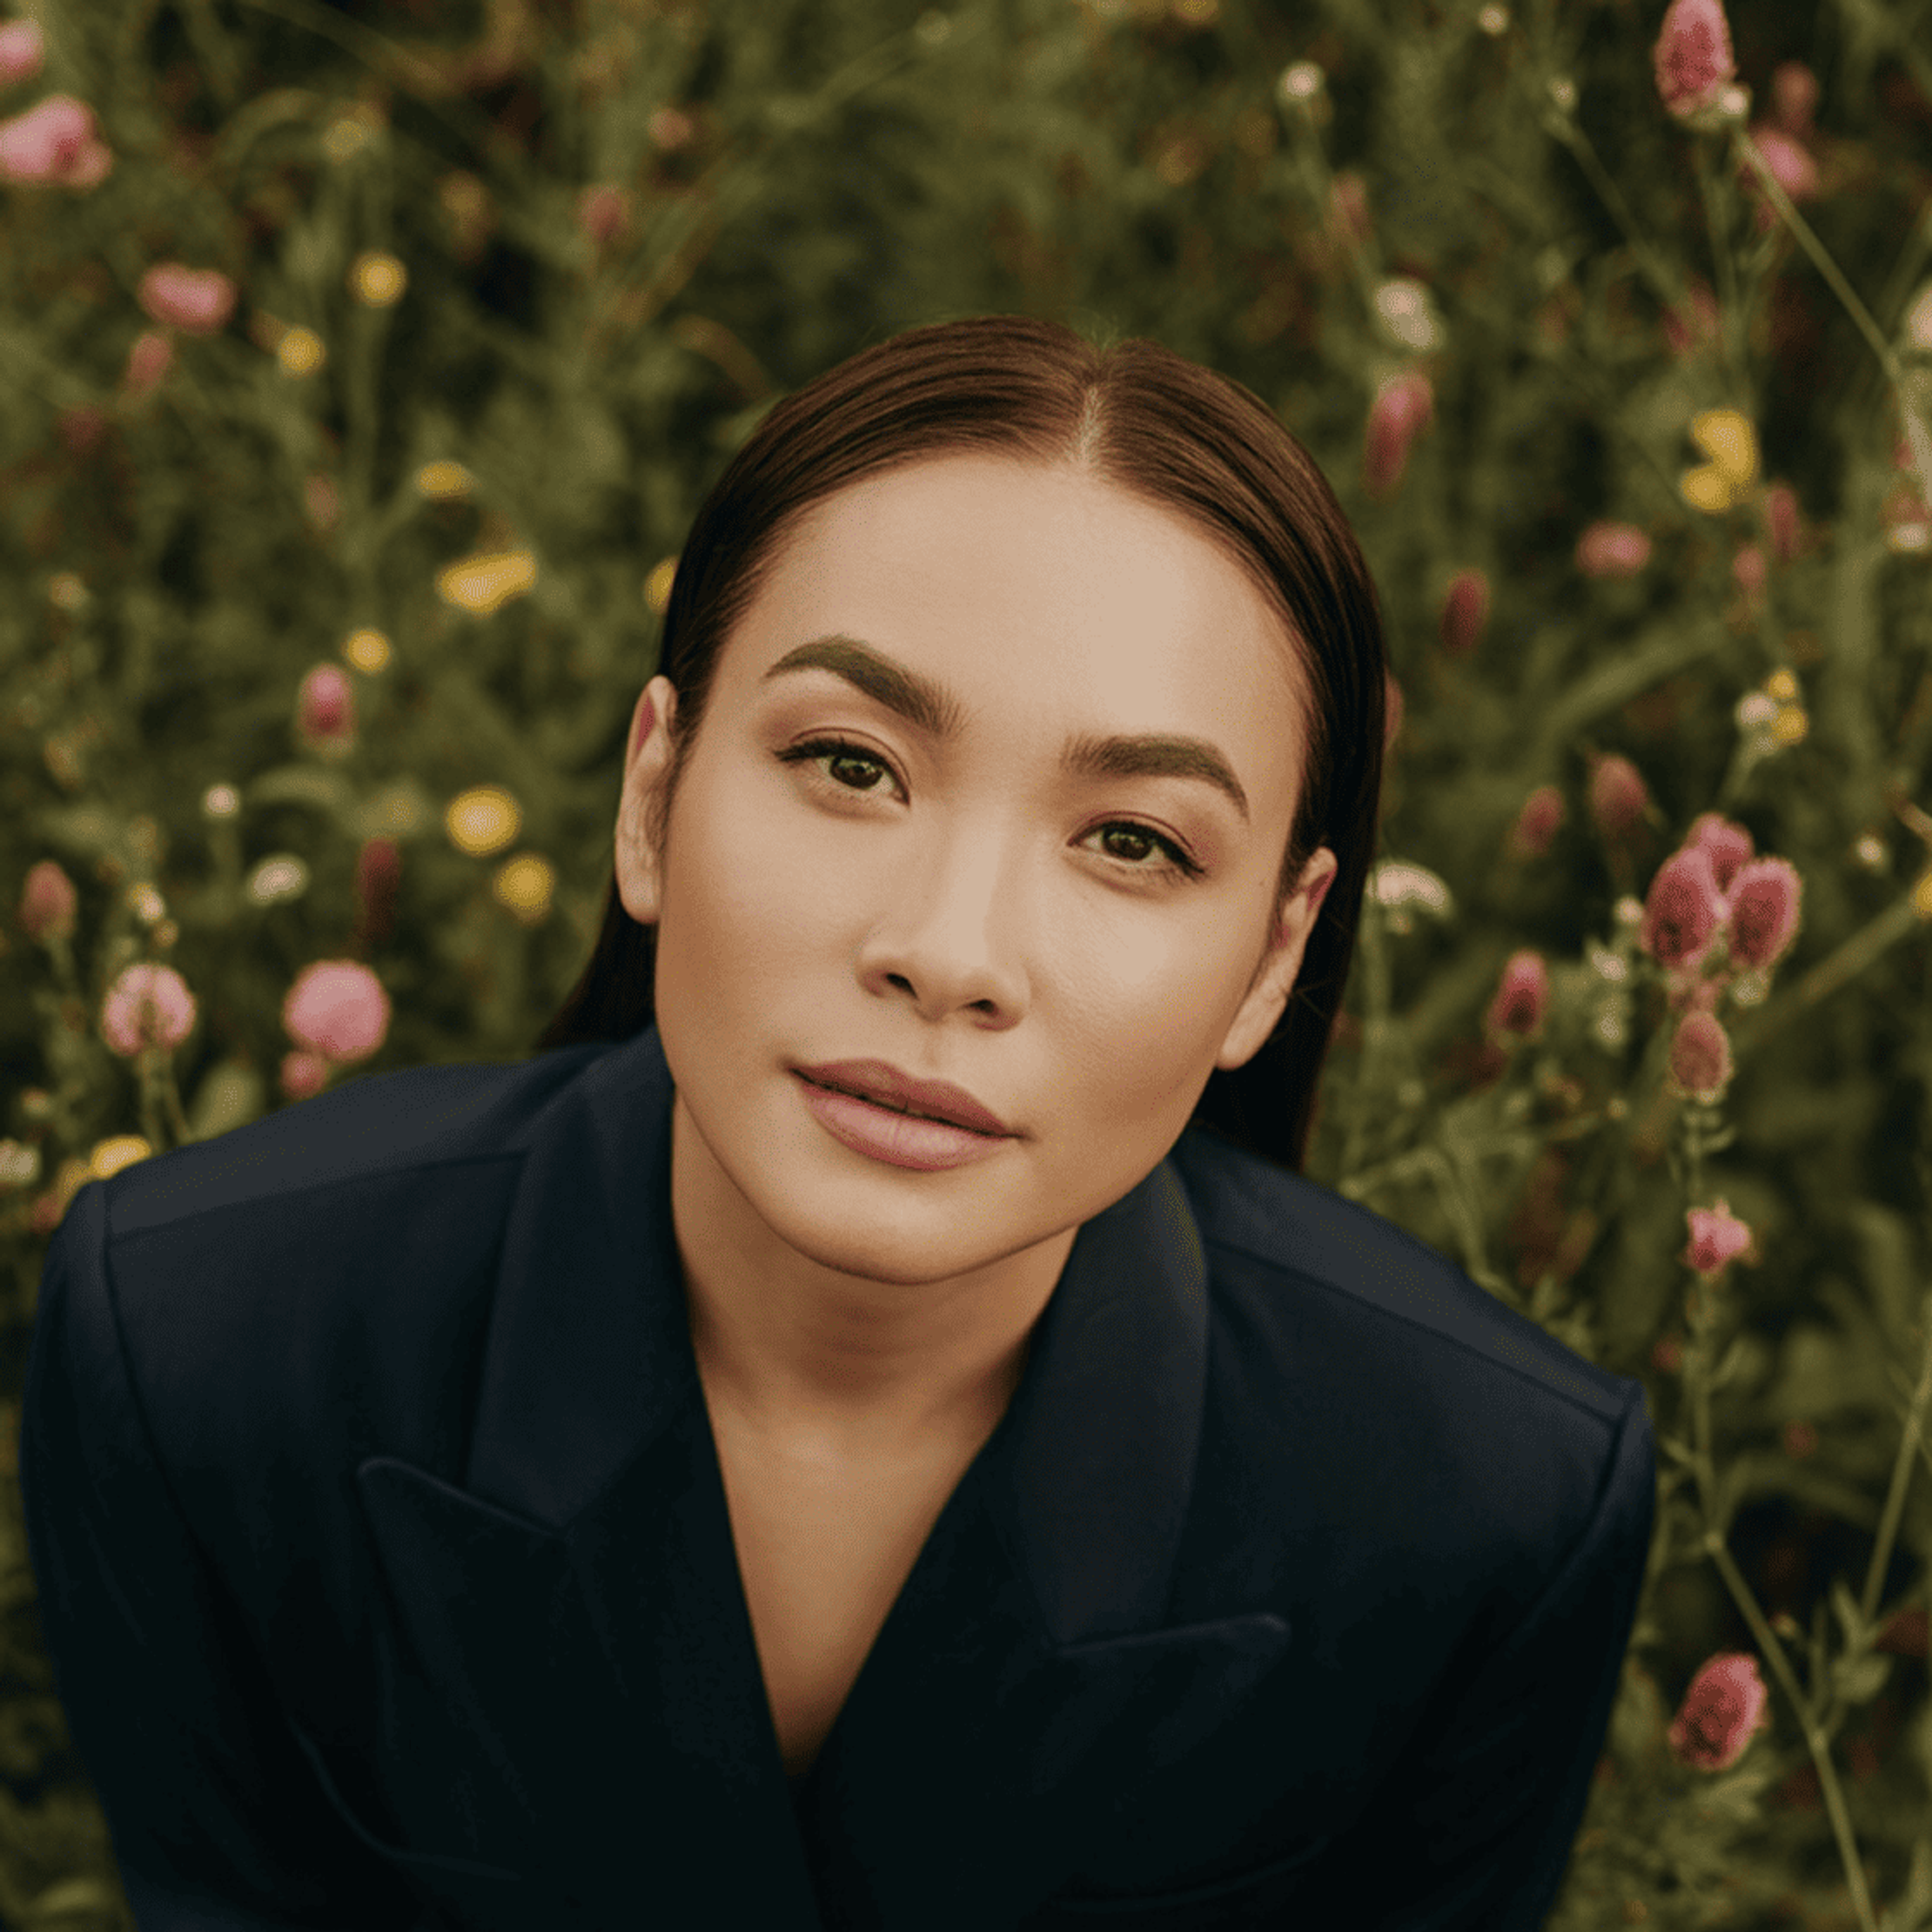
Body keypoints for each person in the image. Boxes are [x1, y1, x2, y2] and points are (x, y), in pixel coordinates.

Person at [22, 314, 1655, 1930]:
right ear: (651, 793)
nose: (946, 950)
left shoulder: (1485, 1510)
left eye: (1135, 843)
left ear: (1273, 956)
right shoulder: (193, 1343)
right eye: (850, 762)